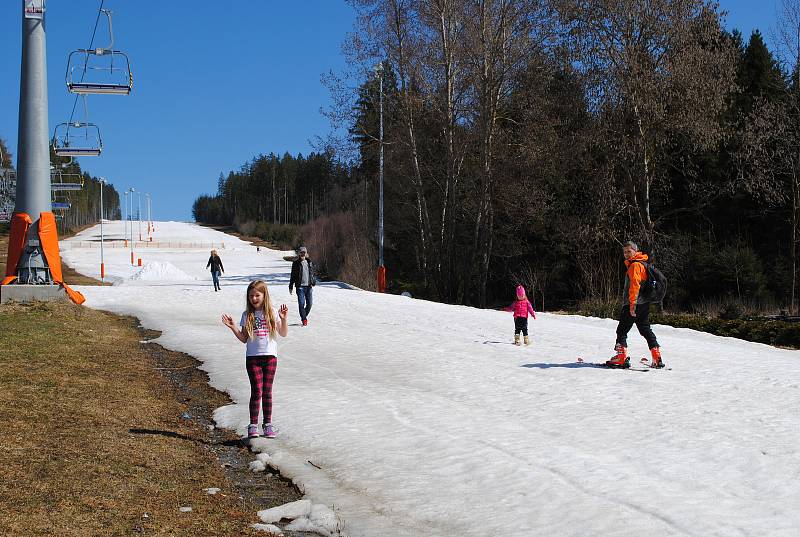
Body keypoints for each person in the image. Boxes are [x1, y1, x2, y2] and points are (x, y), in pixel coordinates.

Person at [221, 280, 289, 439]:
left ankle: (267, 424)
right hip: (252, 358)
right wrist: (233, 328)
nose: (254, 298)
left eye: (257, 295)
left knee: (267, 391)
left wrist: (283, 319)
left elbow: (283, 333)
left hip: (270, 357)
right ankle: (253, 425)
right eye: (251, 296)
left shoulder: (272, 312)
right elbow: (244, 338)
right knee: (256, 391)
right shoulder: (247, 315)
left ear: (264, 295)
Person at [606, 241, 664, 369]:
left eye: (629, 251)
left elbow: (635, 286)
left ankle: (621, 358)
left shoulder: (635, 266)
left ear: (635, 251)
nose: (626, 254)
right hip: (644, 304)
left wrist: (632, 304)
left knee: (622, 330)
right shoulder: (643, 264)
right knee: (645, 329)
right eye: (624, 252)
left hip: (634, 304)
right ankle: (656, 356)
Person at [288, 246, 316, 326]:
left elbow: (312, 274)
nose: (303, 254)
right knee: (301, 303)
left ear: (306, 253)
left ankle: (303, 315)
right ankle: (304, 319)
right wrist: (290, 286)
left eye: (304, 252)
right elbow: (292, 275)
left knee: (310, 304)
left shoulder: (309, 262)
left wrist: (313, 281)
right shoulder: (296, 263)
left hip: (309, 286)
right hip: (300, 286)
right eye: (301, 252)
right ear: (299, 253)